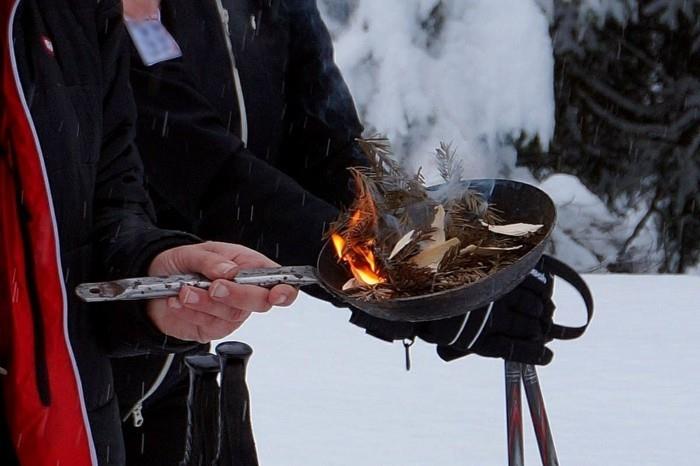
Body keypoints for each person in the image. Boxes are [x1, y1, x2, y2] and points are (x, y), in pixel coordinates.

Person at [112, 1, 564, 465]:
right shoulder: (109, 15)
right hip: (93, 363)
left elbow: (327, 147)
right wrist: (387, 289)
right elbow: (204, 170)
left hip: (191, 373)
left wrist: (434, 262)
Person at [0, 1, 297, 465]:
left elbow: (106, 206)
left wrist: (149, 278)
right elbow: (197, 152)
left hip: (79, 427)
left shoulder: (69, 13)